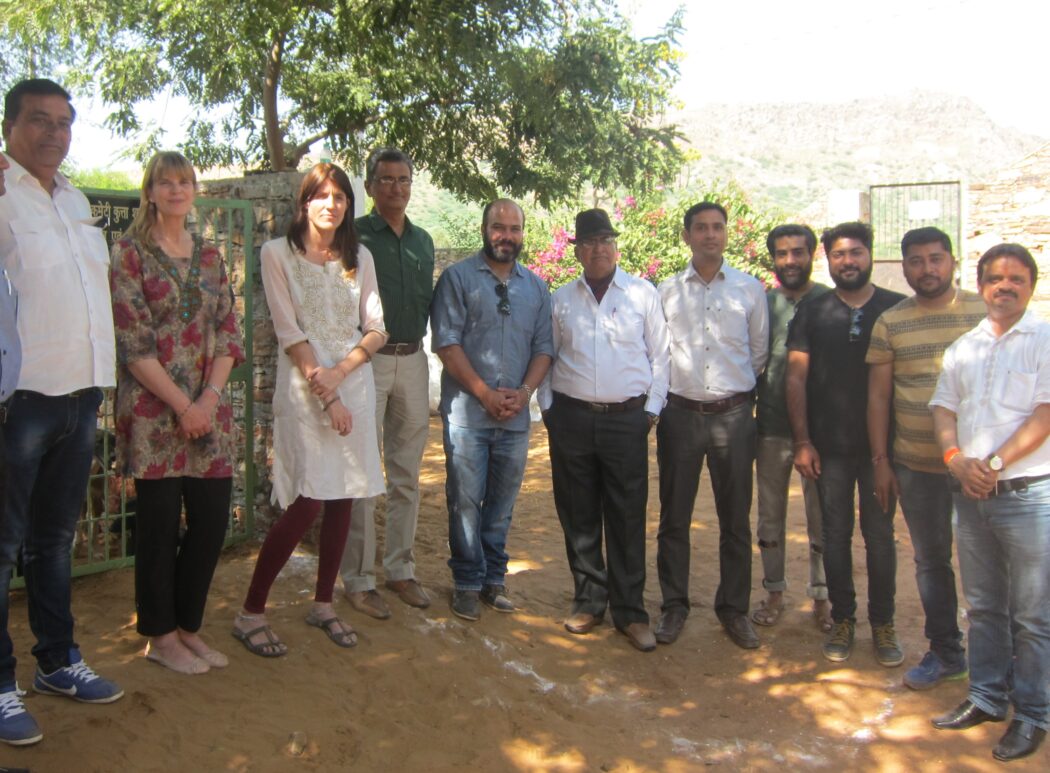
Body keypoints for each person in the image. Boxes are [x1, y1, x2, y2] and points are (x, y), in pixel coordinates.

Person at [0, 78, 123, 748]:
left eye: (64, 122)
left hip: (82, 395)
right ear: (10, 124)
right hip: (20, 400)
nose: (53, 132)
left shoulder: (74, 198)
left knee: (52, 541)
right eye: (38, 120)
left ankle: (57, 661)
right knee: (1, 546)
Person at [232, 163, 387, 657]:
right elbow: (289, 333)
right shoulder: (276, 254)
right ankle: (250, 611)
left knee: (345, 497)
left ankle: (324, 604)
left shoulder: (359, 258)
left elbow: (377, 329)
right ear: (303, 202)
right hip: (305, 389)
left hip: (353, 385)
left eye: (340, 196)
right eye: (321, 195)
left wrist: (343, 376)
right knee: (309, 500)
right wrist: (329, 392)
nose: (331, 204)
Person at [110, 151, 246, 674]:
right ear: (149, 191)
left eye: (183, 181)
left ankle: (188, 627)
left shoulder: (210, 258)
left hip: (208, 414)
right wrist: (182, 404)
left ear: (193, 191)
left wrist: (207, 401)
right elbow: (133, 341)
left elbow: (228, 333)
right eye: (164, 182)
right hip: (152, 412)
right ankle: (160, 636)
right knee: (159, 528)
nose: (175, 190)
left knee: (211, 524)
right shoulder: (130, 253)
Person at [929, 243, 1050, 762]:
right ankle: (985, 696)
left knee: (1032, 614)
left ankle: (1032, 714)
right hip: (971, 494)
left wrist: (993, 466)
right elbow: (943, 409)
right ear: (980, 285)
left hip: (1027, 495)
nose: (1005, 287)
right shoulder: (964, 348)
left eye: (1016, 279)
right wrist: (955, 459)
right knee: (983, 606)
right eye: (996, 278)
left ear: (1031, 285)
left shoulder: (1043, 339)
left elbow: (1045, 414)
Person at [539, 208, 669, 652]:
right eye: (589, 241)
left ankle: (631, 612)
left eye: (605, 240)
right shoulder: (560, 299)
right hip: (571, 419)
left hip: (626, 421)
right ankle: (590, 600)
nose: (598, 248)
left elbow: (662, 358)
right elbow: (547, 357)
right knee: (578, 514)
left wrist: (650, 412)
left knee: (627, 514)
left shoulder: (642, 294)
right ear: (576, 249)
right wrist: (549, 410)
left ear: (616, 245)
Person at [866, 227, 984, 690]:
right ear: (904, 266)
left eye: (936, 259)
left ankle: (1006, 661)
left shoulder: (983, 312)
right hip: (916, 465)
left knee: (990, 564)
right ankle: (946, 651)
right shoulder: (891, 321)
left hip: (979, 469)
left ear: (953, 262)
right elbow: (878, 398)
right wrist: (880, 459)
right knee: (931, 561)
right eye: (916, 261)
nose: (927, 269)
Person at [786, 222, 905, 665]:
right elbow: (795, 377)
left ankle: (883, 623)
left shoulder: (895, 309)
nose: (848, 261)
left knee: (879, 536)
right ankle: (843, 619)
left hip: (882, 453)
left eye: (856, 252)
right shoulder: (813, 312)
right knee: (834, 536)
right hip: (828, 450)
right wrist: (802, 440)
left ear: (870, 255)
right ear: (828, 260)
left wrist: (891, 454)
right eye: (839, 254)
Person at [430, 199, 553, 621]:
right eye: (498, 227)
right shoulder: (457, 279)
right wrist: (483, 393)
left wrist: (524, 393)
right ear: (484, 229)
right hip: (468, 416)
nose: (506, 235)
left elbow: (544, 349)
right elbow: (447, 343)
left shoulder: (536, 288)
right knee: (465, 501)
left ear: (522, 233)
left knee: (501, 504)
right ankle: (466, 581)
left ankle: (493, 580)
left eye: (514, 228)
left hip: (515, 419)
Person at [655, 201, 768, 649]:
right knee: (674, 518)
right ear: (686, 236)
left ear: (726, 234)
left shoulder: (749, 290)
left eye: (717, 227)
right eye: (700, 228)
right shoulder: (665, 291)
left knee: (735, 519)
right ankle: (674, 606)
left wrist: (731, 394)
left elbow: (757, 353)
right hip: (679, 415)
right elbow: (658, 353)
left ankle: (734, 610)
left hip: (735, 418)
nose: (709, 235)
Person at [341, 148, 435, 620]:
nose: (396, 188)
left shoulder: (423, 241)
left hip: (414, 361)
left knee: (405, 474)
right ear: (370, 185)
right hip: (367, 363)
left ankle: (400, 569)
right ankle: (358, 578)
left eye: (404, 180)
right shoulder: (353, 236)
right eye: (387, 180)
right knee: (362, 471)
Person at [752, 224, 831, 631]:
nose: (790, 261)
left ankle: (822, 596)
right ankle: (774, 590)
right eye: (782, 253)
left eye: (798, 252)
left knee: (822, 517)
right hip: (770, 427)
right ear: (774, 259)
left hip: (821, 434)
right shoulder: (763, 303)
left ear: (811, 255)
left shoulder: (830, 303)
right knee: (770, 516)